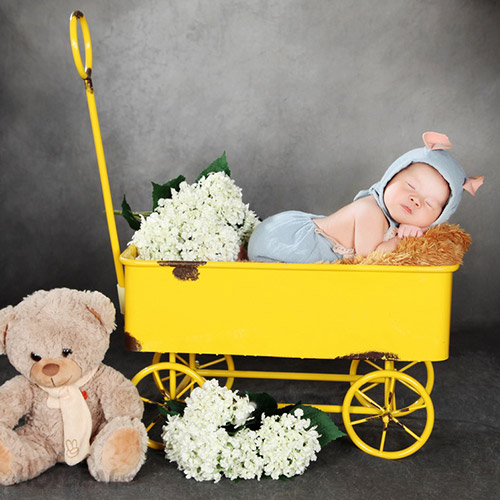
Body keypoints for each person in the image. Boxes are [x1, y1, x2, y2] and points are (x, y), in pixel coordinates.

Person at [248, 132, 483, 263]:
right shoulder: (370, 211)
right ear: (389, 178)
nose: (415, 200)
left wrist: (411, 230)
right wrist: (402, 240)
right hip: (285, 242)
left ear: (440, 217)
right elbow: (371, 260)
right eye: (410, 186)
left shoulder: (393, 219)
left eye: (429, 203)